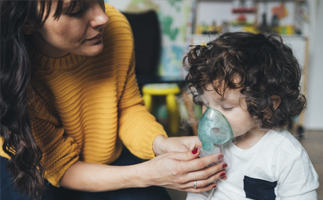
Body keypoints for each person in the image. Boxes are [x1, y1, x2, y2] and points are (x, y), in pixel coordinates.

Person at [0, 1, 228, 199]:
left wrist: (160, 144)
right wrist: (147, 175)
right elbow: (63, 167)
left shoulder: (115, 28)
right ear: (28, 21)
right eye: (76, 10)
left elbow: (127, 107)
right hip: (30, 164)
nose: (102, 17)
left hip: (105, 155)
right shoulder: (12, 70)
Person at [183, 32, 319, 200]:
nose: (210, 116)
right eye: (206, 103)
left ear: (266, 106)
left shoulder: (287, 156)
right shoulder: (213, 143)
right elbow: (200, 190)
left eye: (226, 107)